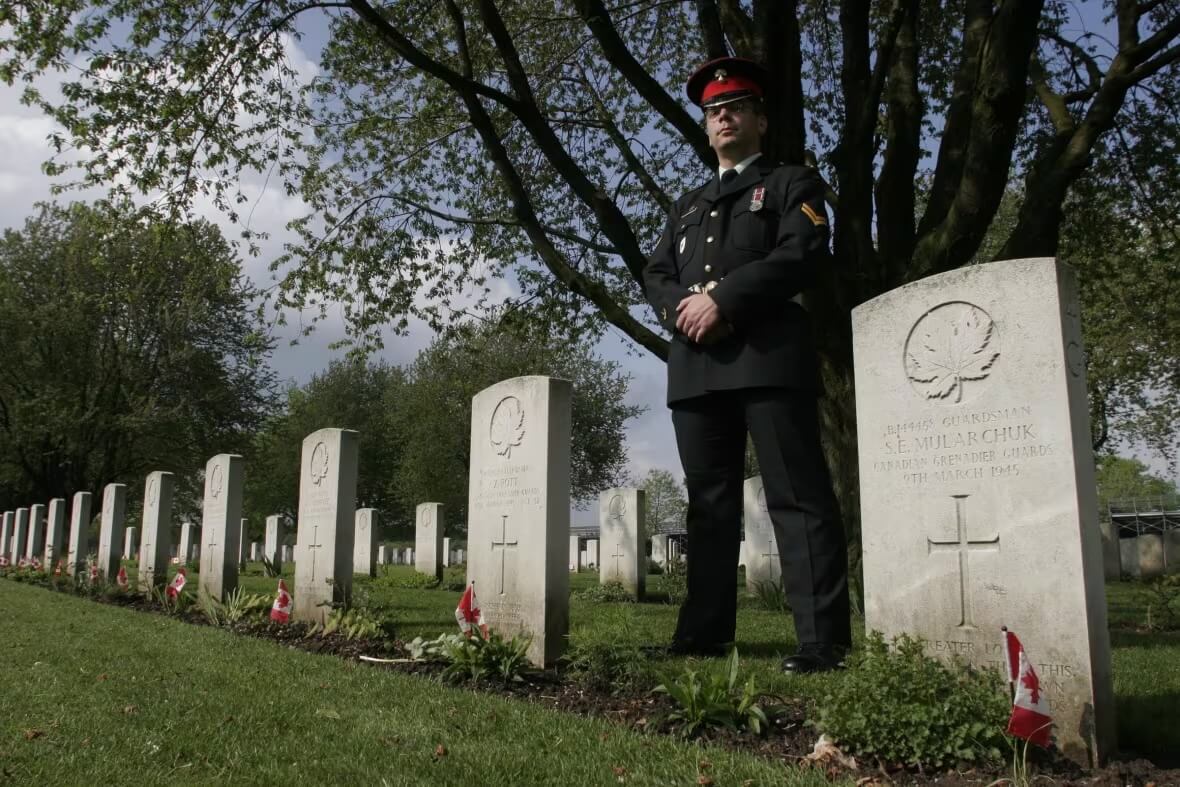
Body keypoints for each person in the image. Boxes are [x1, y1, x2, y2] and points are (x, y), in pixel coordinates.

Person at [642, 57, 851, 673]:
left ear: (760, 118)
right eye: (712, 110)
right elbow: (655, 274)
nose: (723, 115)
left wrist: (723, 303)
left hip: (766, 357)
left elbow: (803, 252)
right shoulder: (686, 207)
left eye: (735, 106)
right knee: (709, 505)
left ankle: (823, 641)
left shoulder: (791, 185)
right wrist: (687, 309)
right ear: (706, 127)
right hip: (698, 365)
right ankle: (704, 633)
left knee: (797, 496)